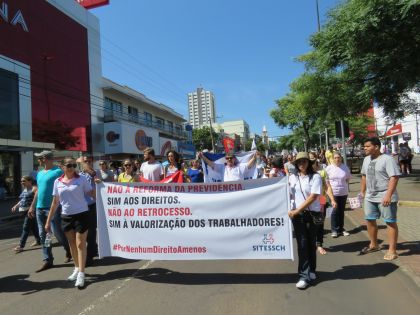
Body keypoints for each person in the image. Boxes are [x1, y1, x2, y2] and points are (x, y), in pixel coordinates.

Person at [45, 157, 95, 288]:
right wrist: (48, 221)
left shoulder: (81, 179)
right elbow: (55, 202)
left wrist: (102, 187)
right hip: (66, 216)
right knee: (71, 243)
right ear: (62, 166)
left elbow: (91, 193)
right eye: (69, 165)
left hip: (82, 214)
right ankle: (77, 268)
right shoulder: (57, 181)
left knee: (80, 243)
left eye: (73, 165)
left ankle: (81, 274)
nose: (72, 167)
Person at [29, 150, 71, 272]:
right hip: (39, 208)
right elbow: (38, 191)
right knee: (44, 235)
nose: (38, 161)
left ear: (46, 159)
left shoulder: (58, 171)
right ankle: (48, 259)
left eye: (40, 158)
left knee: (58, 233)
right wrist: (32, 206)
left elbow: (67, 185)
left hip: (53, 208)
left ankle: (68, 250)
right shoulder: (40, 173)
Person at [360, 137, 400, 261]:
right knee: (370, 220)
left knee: (390, 221)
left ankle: (392, 250)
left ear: (376, 147)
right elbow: (364, 176)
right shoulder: (366, 159)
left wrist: (388, 195)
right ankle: (374, 244)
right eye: (364, 146)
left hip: (385, 195)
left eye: (367, 146)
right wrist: (362, 192)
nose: (364, 148)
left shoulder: (388, 159)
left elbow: (394, 177)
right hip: (370, 196)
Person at [288, 152, 323, 289]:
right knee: (302, 245)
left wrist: (298, 210)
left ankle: (311, 270)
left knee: (310, 243)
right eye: (299, 162)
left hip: (310, 214)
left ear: (308, 163)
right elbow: (288, 193)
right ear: (296, 164)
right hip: (297, 216)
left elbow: (313, 197)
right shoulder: (292, 177)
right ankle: (304, 275)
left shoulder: (315, 177)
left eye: (304, 161)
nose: (301, 164)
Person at [312, 159, 336, 255]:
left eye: (312, 161)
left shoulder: (322, 173)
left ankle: (319, 245)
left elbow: (327, 187)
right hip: (306, 202)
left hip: (321, 200)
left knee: (319, 223)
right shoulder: (302, 174)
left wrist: (332, 199)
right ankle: (311, 244)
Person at [11, 176, 40, 252]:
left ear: (30, 181)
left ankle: (21, 245)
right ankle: (38, 240)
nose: (22, 183)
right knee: (33, 227)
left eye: (24, 181)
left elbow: (38, 198)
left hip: (30, 211)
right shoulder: (24, 190)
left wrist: (33, 208)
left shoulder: (34, 189)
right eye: (21, 181)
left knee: (26, 227)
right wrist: (16, 206)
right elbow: (22, 200)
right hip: (23, 211)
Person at [326, 152, 352, 238]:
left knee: (341, 211)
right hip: (333, 193)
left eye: (339, 157)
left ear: (341, 158)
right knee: (334, 211)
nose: (337, 159)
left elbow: (347, 179)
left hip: (343, 192)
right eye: (335, 157)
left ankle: (341, 229)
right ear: (332, 159)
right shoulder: (329, 168)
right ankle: (334, 230)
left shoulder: (345, 167)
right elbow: (327, 182)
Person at [79, 156, 98, 266]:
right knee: (82, 231)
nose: (87, 163)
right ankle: (93, 248)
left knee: (91, 231)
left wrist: (88, 170)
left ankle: (90, 255)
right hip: (81, 206)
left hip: (91, 205)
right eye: (85, 161)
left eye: (89, 161)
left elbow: (95, 177)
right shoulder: (78, 175)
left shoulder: (95, 173)